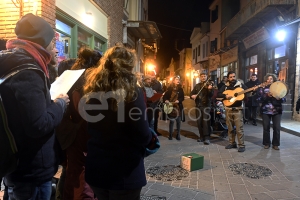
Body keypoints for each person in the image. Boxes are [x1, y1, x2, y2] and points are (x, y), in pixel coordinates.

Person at [0, 13, 69, 199]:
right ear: (41, 42)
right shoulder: (29, 71)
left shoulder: (13, 62)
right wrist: (60, 104)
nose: (55, 49)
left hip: (18, 165)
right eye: (53, 43)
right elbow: (38, 124)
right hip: (31, 171)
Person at [82, 44, 152, 200]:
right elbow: (142, 133)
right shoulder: (131, 91)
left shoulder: (92, 88)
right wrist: (150, 138)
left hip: (97, 168)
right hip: (123, 172)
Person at [61, 47, 101, 200]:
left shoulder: (71, 80)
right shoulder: (86, 85)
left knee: (73, 180)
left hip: (73, 141)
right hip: (83, 141)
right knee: (83, 184)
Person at [217, 71, 247, 152]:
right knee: (230, 128)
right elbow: (218, 94)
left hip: (238, 109)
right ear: (228, 78)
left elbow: (247, 91)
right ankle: (232, 143)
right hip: (228, 109)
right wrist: (225, 96)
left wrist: (253, 90)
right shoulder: (225, 87)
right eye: (230, 77)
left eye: (234, 76)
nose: (232, 78)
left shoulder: (240, 85)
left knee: (239, 128)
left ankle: (241, 145)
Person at [257, 73, 285, 150]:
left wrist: (280, 98)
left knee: (277, 127)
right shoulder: (262, 88)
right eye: (268, 79)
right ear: (266, 80)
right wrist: (266, 96)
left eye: (271, 79)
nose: (269, 80)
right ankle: (266, 143)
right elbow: (259, 99)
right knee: (266, 128)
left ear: (274, 80)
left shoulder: (279, 88)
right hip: (266, 111)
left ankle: (275, 144)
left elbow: (284, 98)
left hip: (277, 111)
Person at [190, 72, 214, 145]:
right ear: (200, 77)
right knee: (199, 122)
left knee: (205, 122)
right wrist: (192, 96)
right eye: (202, 76)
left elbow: (211, 95)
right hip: (198, 105)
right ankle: (201, 136)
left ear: (206, 77)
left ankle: (207, 137)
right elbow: (191, 94)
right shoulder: (197, 86)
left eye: (204, 76)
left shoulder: (209, 85)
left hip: (206, 105)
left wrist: (209, 89)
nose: (203, 77)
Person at [163, 76, 185, 140]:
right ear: (173, 81)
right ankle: (170, 135)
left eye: (178, 79)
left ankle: (178, 135)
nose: (178, 80)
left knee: (178, 121)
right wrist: (166, 100)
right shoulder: (169, 88)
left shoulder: (180, 89)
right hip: (171, 106)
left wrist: (179, 100)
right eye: (176, 79)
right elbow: (165, 96)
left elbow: (182, 97)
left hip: (178, 107)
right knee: (172, 121)